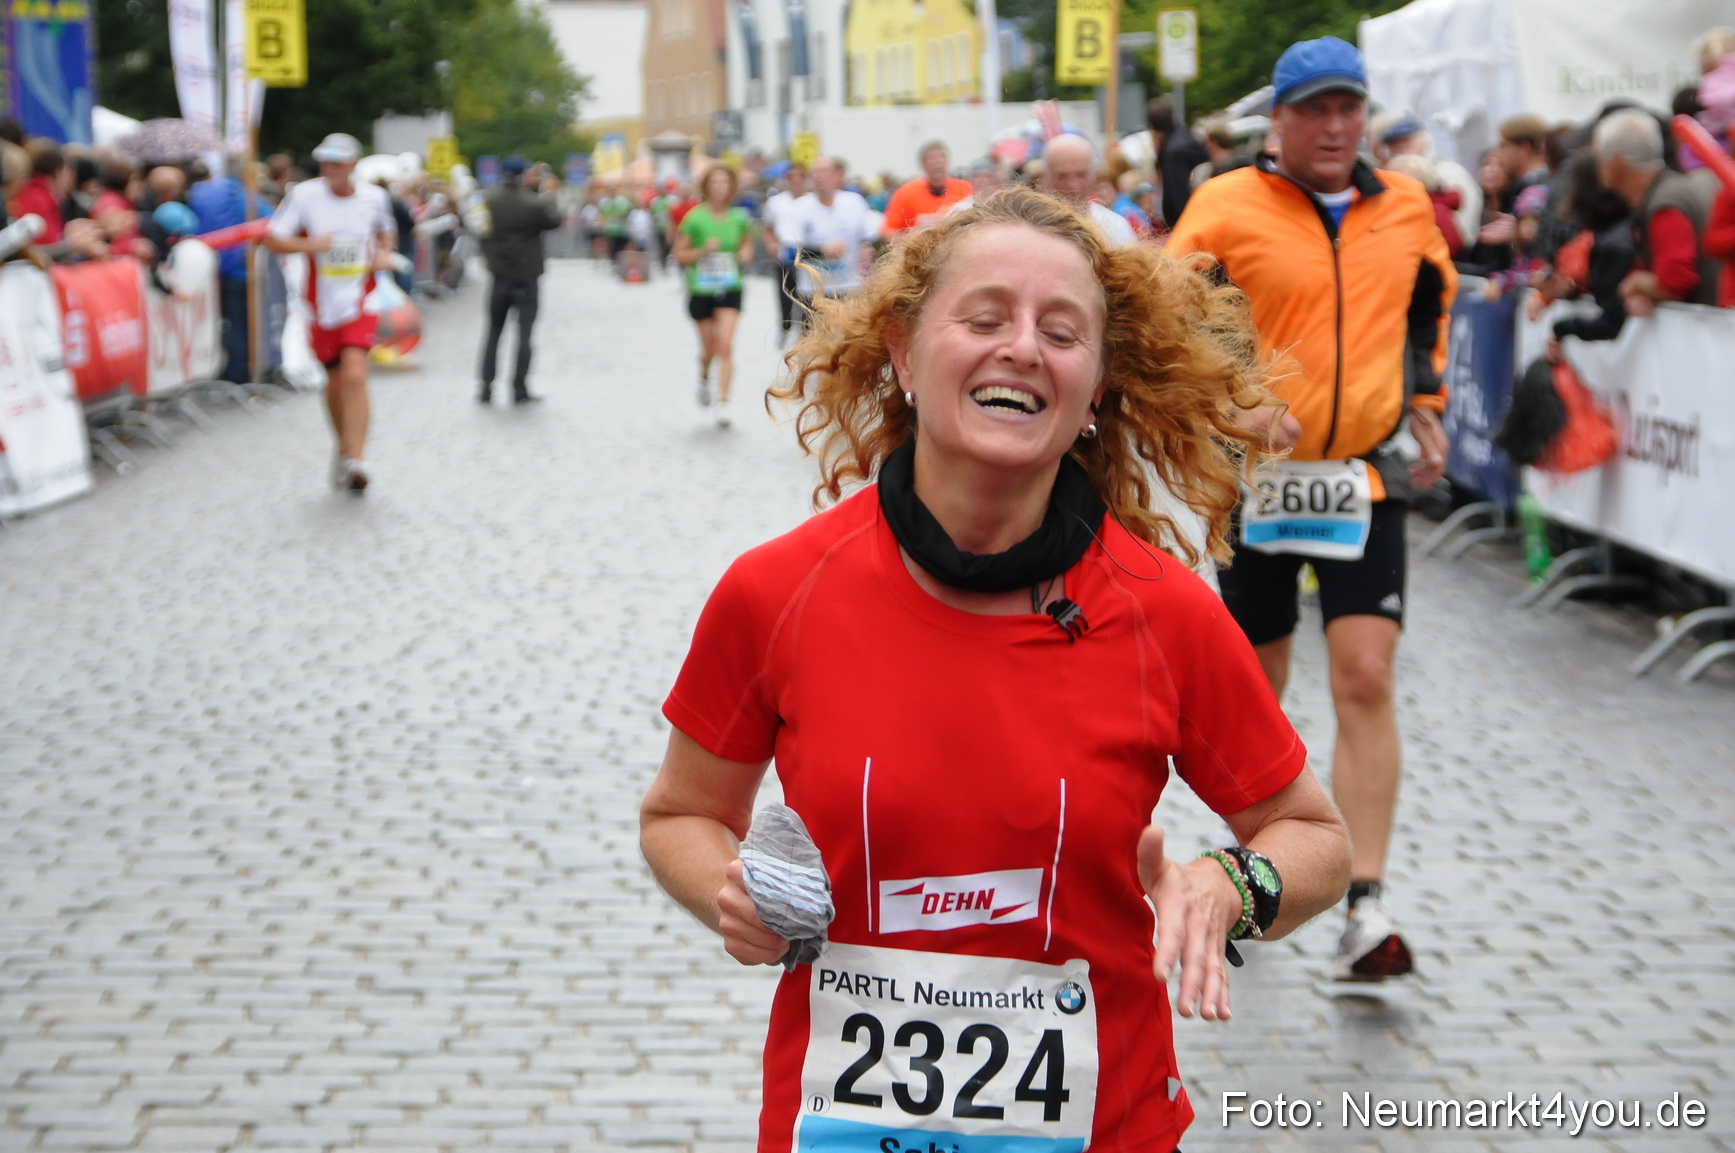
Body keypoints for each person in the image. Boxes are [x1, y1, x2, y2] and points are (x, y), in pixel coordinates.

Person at [640, 185, 1352, 1153]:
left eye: (1062, 332)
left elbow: (1312, 835)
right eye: (984, 318)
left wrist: (1232, 885)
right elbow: (680, 812)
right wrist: (733, 890)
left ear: (1095, 385)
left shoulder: (1164, 614)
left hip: (1106, 1130)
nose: (1022, 346)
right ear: (901, 349)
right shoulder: (776, 592)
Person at [1169, 35, 1456, 983]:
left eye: (1348, 108)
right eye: (1314, 110)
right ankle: (1249, 874)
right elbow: (1174, 325)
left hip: (1359, 476)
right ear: (1278, 121)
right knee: (1254, 679)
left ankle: (1364, 900)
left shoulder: (1404, 204)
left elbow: (1428, 303)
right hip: (1256, 476)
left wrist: (1424, 402)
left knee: (1366, 673)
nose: (1334, 126)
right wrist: (1238, 399)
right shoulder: (1222, 205)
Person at [263, 133, 398, 492]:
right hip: (319, 304)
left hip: (361, 298)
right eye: (325, 162)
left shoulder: (374, 197)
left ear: (353, 165)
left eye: (337, 163)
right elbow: (273, 238)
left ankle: (357, 458)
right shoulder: (304, 195)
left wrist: (383, 253)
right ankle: (343, 448)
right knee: (335, 382)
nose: (330, 169)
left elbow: (386, 233)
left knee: (355, 373)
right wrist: (312, 244)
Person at [1592, 108, 1719, 311]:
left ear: (1616, 163)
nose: (1596, 166)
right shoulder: (1687, 185)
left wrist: (1635, 284)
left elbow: (1675, 282)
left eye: (1599, 157)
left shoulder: (1665, 203)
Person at [477, 157, 562, 405]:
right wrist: (549, 194)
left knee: (493, 332)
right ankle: (519, 386)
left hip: (499, 274)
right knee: (524, 333)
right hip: (526, 275)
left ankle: (486, 385)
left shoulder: (489, 200)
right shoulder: (533, 203)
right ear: (524, 175)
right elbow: (554, 221)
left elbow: (481, 230)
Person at [674, 165, 754, 426]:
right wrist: (701, 252)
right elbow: (679, 254)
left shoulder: (739, 217)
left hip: (730, 286)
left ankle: (724, 402)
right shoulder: (695, 218)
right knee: (709, 348)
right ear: (706, 187)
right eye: (715, 183)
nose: (720, 187)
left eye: (725, 183)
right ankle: (705, 375)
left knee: (726, 344)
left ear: (731, 188)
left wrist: (744, 254)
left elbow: (746, 245)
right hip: (701, 289)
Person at [791, 156, 877, 325]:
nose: (819, 176)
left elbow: (867, 240)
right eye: (814, 172)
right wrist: (822, 251)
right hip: (814, 291)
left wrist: (867, 251)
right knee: (815, 347)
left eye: (823, 171)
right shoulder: (799, 208)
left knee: (847, 342)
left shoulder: (854, 202)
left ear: (836, 175)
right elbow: (790, 254)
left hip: (849, 287)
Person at [1040, 133, 1135, 246]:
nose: (1073, 185)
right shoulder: (1030, 228)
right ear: (1045, 178)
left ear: (1093, 175)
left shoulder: (1115, 226)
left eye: (1081, 175)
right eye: (1062, 176)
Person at [761, 162, 810, 345]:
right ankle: (785, 326)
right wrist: (771, 243)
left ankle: (806, 330)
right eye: (792, 177)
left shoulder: (811, 201)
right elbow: (767, 227)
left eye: (799, 177)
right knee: (785, 290)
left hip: (807, 252)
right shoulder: (776, 202)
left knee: (807, 293)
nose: (795, 181)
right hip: (785, 250)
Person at [880, 140, 972, 237]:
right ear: (923, 165)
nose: (937, 161)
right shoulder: (906, 193)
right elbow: (887, 230)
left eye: (942, 156)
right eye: (931, 158)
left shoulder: (965, 189)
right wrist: (910, 244)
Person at [1146, 95, 1208, 228]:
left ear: (1152, 128)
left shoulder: (1173, 155)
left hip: (1187, 225)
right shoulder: (1188, 138)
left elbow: (1177, 200)